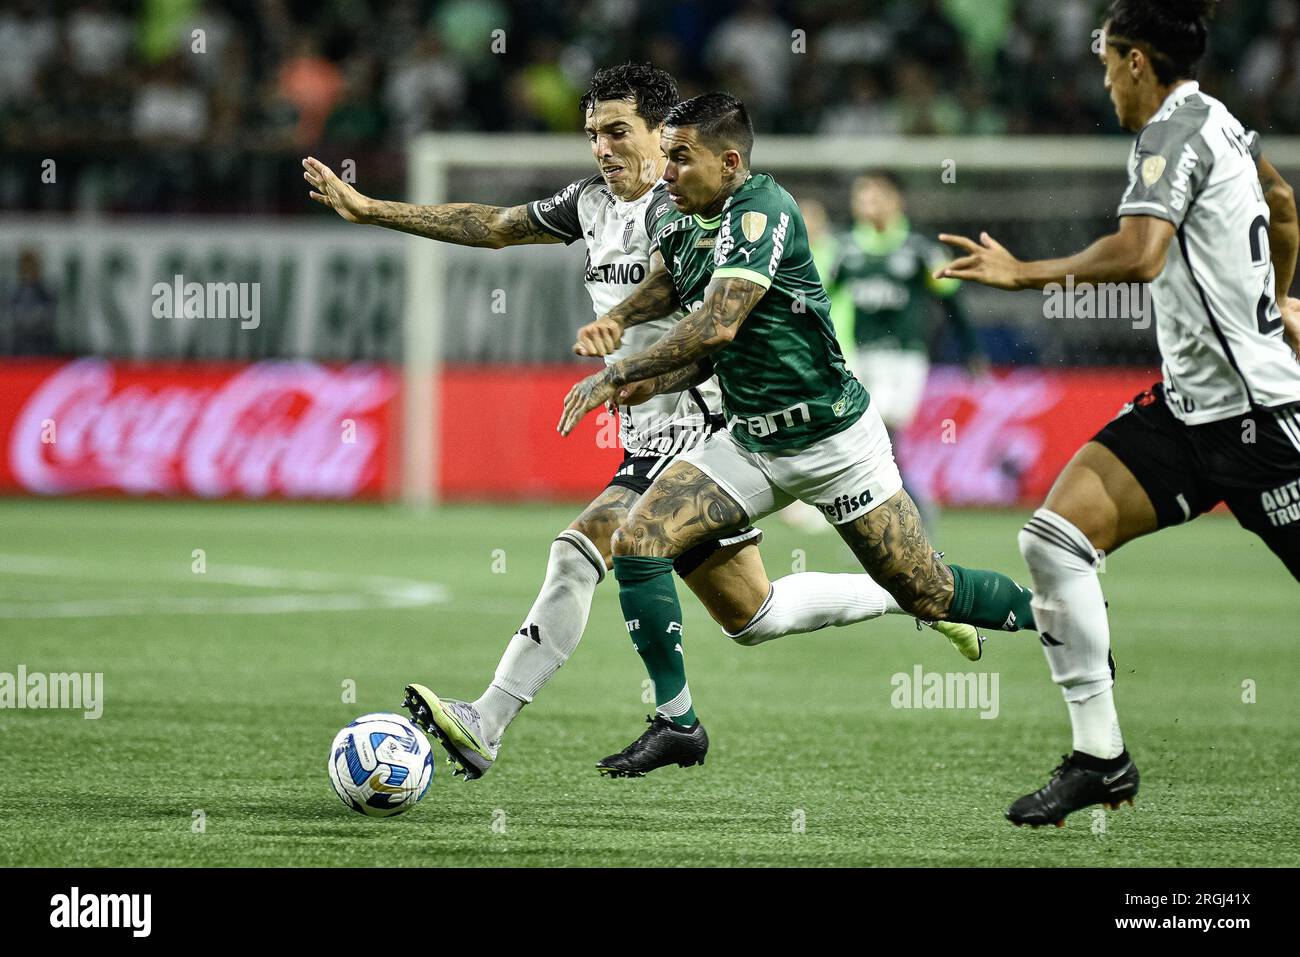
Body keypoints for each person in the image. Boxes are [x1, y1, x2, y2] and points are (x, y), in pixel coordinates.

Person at [304, 65, 982, 781]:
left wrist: (622, 342)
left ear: (663, 135)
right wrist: (374, 208)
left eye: (617, 131)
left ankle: (490, 721)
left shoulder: (683, 207)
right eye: (593, 132)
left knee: (579, 550)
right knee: (755, 616)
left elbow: (693, 299)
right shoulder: (591, 202)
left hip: (706, 431)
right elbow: (497, 225)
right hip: (647, 435)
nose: (601, 147)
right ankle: (906, 591)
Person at [559, 94, 1040, 750]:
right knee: (639, 541)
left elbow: (718, 322)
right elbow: (675, 290)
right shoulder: (678, 222)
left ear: (728, 162)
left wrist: (619, 371)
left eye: (680, 158)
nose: (664, 174)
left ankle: (1058, 616)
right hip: (752, 439)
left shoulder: (763, 209)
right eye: (664, 157)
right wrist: (626, 328)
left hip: (833, 438)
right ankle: (677, 721)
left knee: (930, 590)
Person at [936, 0, 1300, 827]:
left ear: (1138, 61)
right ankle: (1100, 758)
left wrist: (1025, 274)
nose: (1104, 85)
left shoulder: (1170, 132)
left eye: (1108, 66)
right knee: (1054, 538)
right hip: (1187, 415)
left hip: (1259, 420)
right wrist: (1276, 301)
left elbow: (1139, 254)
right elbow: (1280, 205)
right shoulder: (1223, 121)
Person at [825, 170, 988, 526]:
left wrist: (971, 351)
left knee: (876, 433)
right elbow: (821, 299)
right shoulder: (844, 249)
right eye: (860, 197)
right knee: (871, 439)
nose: (865, 204)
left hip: (903, 359)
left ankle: (905, 507)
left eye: (873, 196)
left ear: (895, 201)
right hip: (857, 358)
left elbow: (953, 300)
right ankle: (901, 512)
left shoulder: (920, 249)